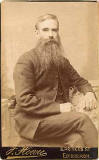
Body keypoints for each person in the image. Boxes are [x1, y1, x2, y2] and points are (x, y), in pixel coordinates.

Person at [13, 14, 98, 147]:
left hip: (57, 120)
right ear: (37, 33)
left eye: (54, 30)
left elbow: (81, 81)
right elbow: (24, 100)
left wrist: (89, 93)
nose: (51, 35)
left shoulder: (62, 61)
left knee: (77, 140)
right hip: (33, 121)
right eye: (45, 30)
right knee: (82, 119)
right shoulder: (26, 61)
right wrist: (59, 107)